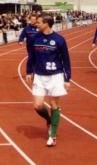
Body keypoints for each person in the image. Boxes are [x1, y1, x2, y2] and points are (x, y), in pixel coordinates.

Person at [26, 13, 71, 147]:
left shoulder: (59, 40)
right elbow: (31, 56)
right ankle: (50, 120)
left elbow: (66, 60)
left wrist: (67, 78)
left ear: (46, 23)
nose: (36, 24)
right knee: (37, 106)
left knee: (54, 105)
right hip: (39, 76)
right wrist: (29, 71)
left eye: (39, 22)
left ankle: (53, 136)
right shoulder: (34, 38)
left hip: (55, 76)